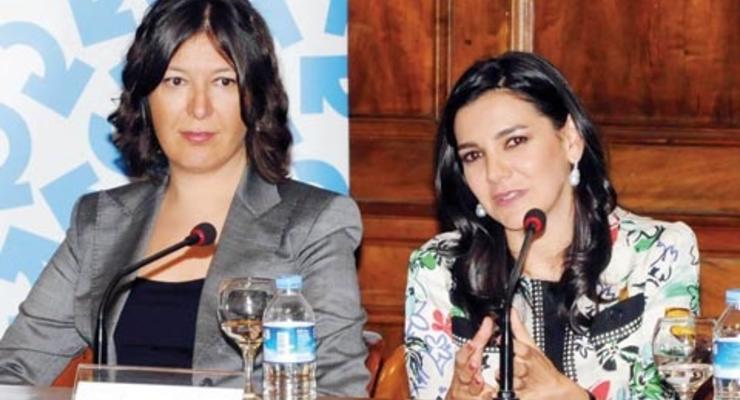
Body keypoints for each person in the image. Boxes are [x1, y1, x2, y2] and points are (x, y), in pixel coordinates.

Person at [0, 0, 369, 396]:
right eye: (176, 81)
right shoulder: (100, 222)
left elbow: (338, 389)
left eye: (223, 82)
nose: (199, 108)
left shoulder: (313, 223)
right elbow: (13, 370)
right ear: (145, 95)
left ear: (255, 96)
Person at [404, 52, 699, 400]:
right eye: (473, 155)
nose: (495, 173)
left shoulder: (658, 253)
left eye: (515, 142)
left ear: (570, 140)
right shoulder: (438, 268)